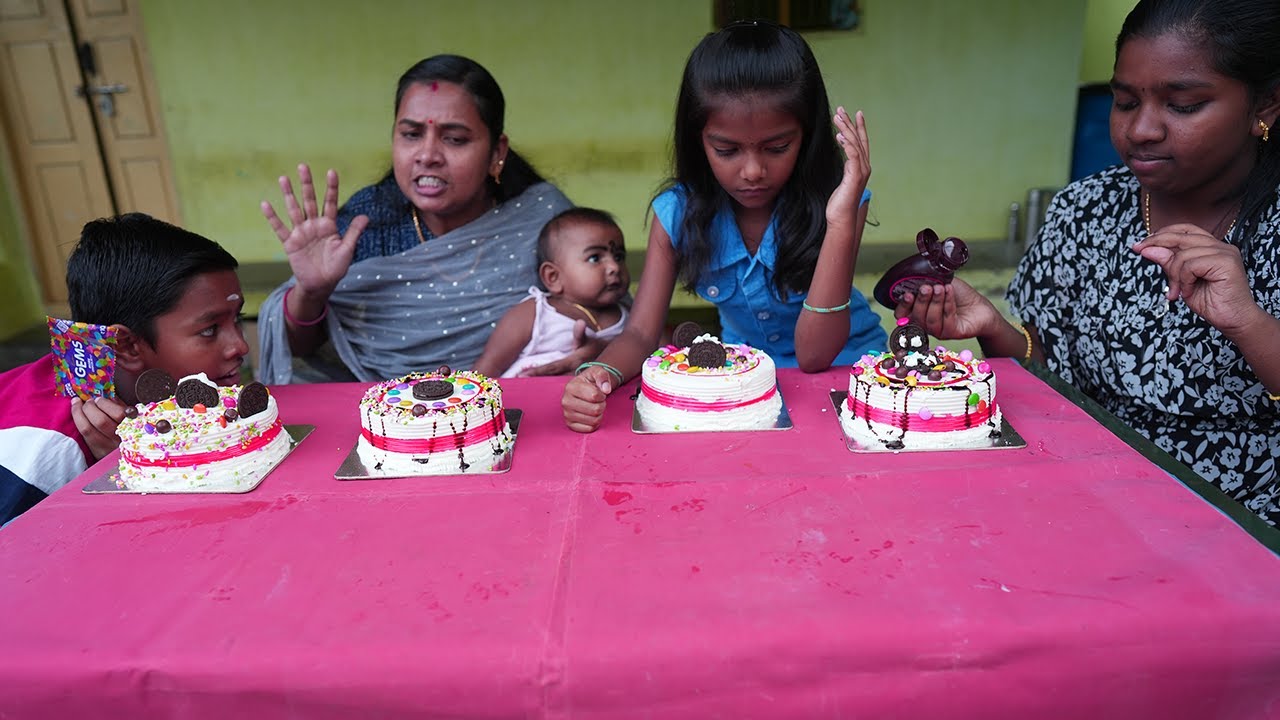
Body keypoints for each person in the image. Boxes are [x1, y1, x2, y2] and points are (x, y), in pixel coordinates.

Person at [897, 0, 1280, 524]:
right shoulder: (1085, 209)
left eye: (1183, 105)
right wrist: (992, 327)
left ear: (1267, 104)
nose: (1141, 129)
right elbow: (1050, 374)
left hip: (1240, 521)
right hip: (1086, 493)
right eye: (1125, 102)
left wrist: (1248, 322)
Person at [561, 20, 886, 432]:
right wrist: (598, 373)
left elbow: (814, 357)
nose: (753, 171)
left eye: (777, 147)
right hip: (743, 390)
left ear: (807, 137)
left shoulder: (839, 202)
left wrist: (839, 223)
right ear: (698, 141)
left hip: (850, 379)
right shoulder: (677, 213)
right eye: (726, 150)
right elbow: (641, 333)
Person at [257, 54, 577, 384]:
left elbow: (600, 314)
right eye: (411, 134)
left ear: (497, 152)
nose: (427, 155)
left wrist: (590, 353)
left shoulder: (547, 220)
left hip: (517, 405)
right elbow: (302, 347)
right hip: (381, 409)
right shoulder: (367, 223)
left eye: (454, 139)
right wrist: (312, 293)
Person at [0, 213, 249, 524]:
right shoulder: (50, 454)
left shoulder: (130, 393)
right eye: (210, 330)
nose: (241, 346)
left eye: (238, 318)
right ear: (127, 346)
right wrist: (134, 472)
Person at [473, 207, 630, 378]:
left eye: (619, 257)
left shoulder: (631, 318)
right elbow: (489, 367)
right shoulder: (535, 313)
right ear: (553, 277)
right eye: (595, 258)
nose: (614, 267)